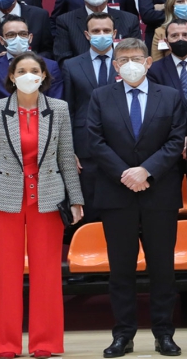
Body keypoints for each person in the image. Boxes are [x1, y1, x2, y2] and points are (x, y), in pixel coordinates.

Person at [0, 53, 84, 359]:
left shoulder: (58, 109)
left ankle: (45, 343)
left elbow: (66, 157)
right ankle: (5, 345)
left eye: (34, 70)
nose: (27, 74)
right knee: (3, 274)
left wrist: (75, 199)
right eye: (21, 70)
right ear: (11, 76)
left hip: (47, 197)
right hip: (4, 196)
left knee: (47, 273)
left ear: (44, 76)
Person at [86, 38, 187, 358]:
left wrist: (146, 171)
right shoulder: (100, 96)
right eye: (124, 59)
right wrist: (126, 174)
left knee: (162, 268)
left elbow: (176, 140)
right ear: (115, 65)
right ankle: (123, 335)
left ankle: (164, 334)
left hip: (160, 192)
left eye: (137, 58)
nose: (131, 63)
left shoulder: (170, 96)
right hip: (116, 194)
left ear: (149, 63)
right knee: (121, 269)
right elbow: (95, 140)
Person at [61, 12, 121, 220]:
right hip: (85, 148)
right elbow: (67, 109)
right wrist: (69, 149)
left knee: (120, 212)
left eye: (106, 31)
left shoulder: (127, 63)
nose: (101, 34)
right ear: (87, 35)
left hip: (122, 146)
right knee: (91, 209)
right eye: (96, 31)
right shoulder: (71, 65)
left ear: (114, 33)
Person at [0, 15, 64, 128]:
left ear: (30, 38)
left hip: (42, 134)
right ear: (2, 40)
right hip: (2, 136)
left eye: (22, 34)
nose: (18, 38)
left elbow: (57, 106)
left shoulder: (50, 66)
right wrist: (11, 129)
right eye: (11, 35)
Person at [52, 0, 142, 64]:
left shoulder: (129, 20)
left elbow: (137, 56)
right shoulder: (65, 21)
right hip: (81, 76)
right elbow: (63, 59)